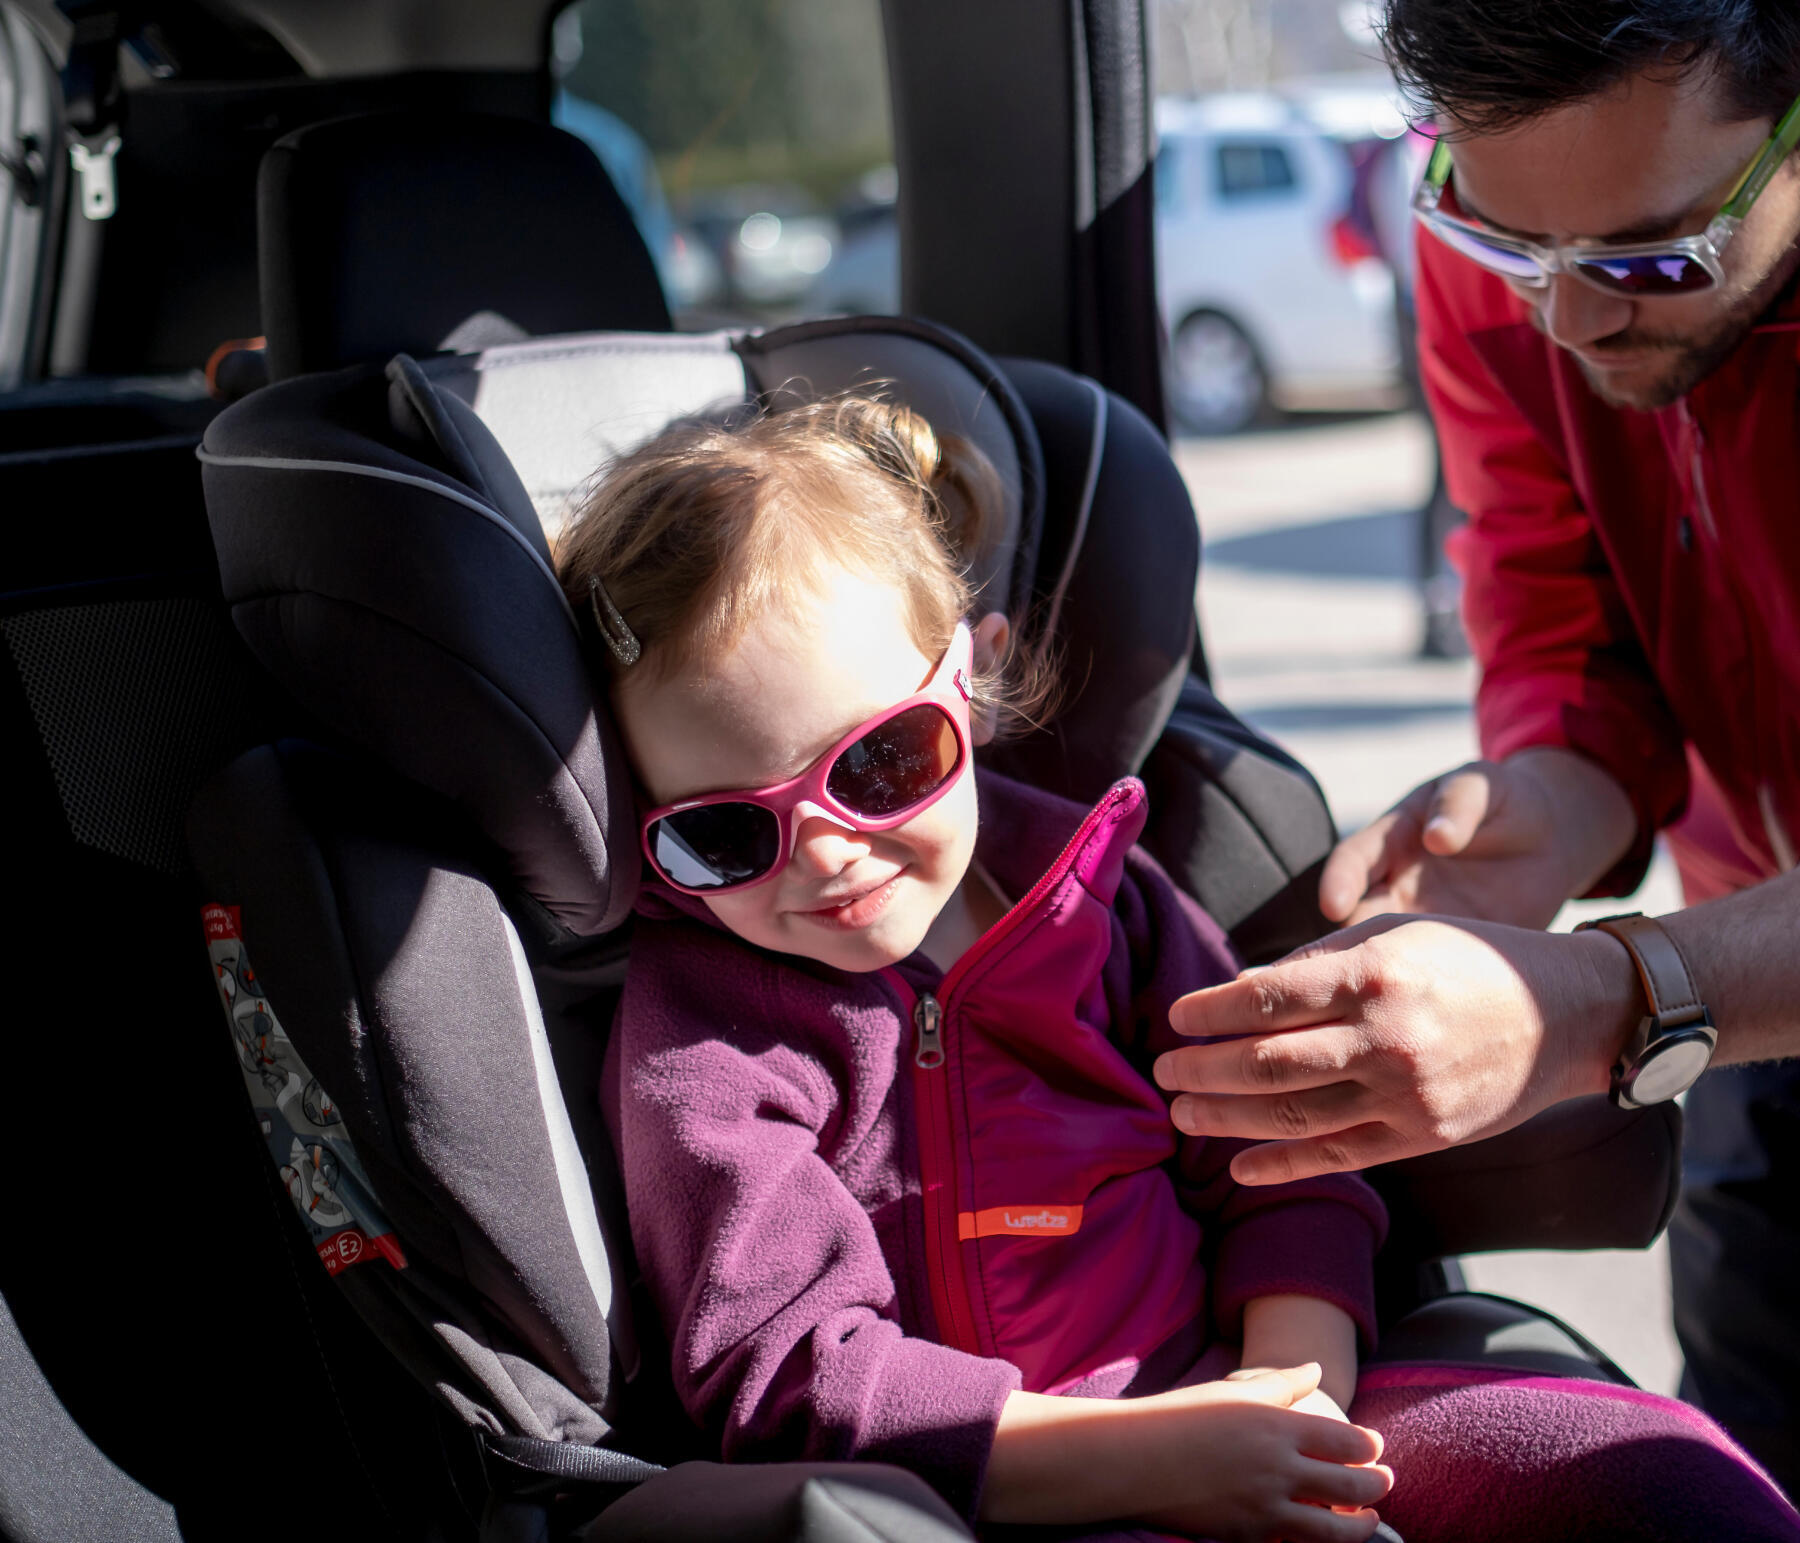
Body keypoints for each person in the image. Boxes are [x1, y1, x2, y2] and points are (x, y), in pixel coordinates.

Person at [554, 394, 1799, 1541]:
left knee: (1666, 1483)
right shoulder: (706, 1039)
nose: (826, 853)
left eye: (881, 764)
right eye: (726, 831)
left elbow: (1289, 1171)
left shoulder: (1112, 907)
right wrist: (1162, 1460)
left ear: (972, 680)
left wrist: (1286, 1392)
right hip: (984, 1491)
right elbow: (793, 1377)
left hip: (1245, 1391)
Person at [1151, 0, 1800, 1495]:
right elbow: (1553, 584)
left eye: (1651, 260)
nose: (1566, 325)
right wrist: (1549, 793)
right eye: (1511, 251)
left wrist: (1600, 1003)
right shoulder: (1512, 233)